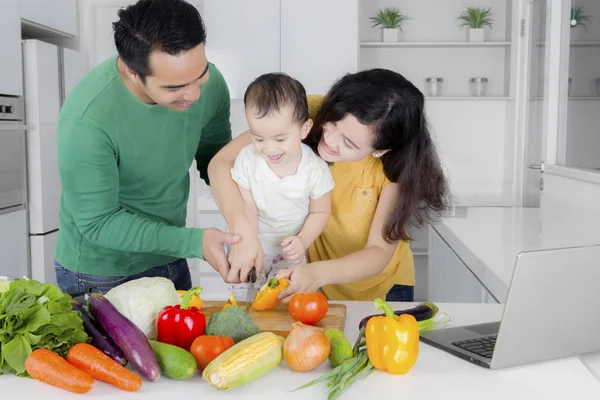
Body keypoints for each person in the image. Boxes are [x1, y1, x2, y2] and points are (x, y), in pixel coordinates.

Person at [208, 68, 450, 302]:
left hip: (379, 290)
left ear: (380, 150)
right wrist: (244, 231)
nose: (329, 140)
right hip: (305, 279)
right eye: (332, 124)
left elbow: (378, 252)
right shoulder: (307, 112)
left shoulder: (393, 171)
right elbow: (220, 164)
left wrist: (316, 274)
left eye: (348, 143)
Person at [54, 0, 240, 295]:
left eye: (200, 75)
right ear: (131, 71)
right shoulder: (87, 118)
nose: (193, 94)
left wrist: (248, 219)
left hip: (170, 257)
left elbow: (216, 161)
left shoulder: (212, 84)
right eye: (173, 87)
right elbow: (99, 222)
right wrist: (194, 242)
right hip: (100, 271)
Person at [230, 73, 334, 290]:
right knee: (241, 300)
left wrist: (303, 240)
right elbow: (247, 207)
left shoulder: (315, 169)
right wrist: (249, 242)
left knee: (285, 298)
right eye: (258, 138)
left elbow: (320, 212)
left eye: (280, 139)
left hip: (291, 249)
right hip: (251, 239)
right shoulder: (247, 159)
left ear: (304, 129)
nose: (269, 148)